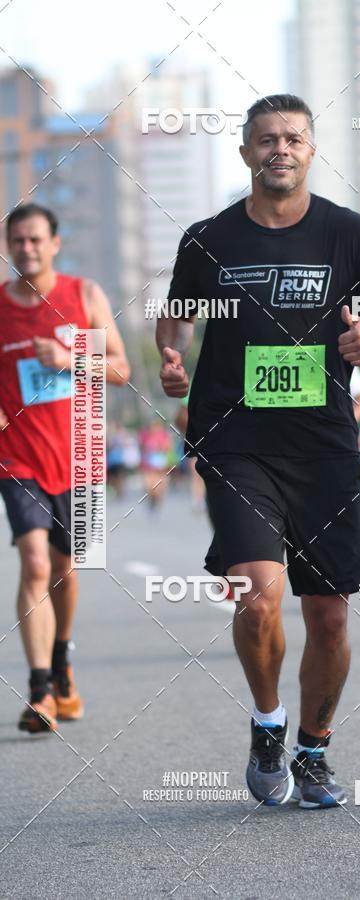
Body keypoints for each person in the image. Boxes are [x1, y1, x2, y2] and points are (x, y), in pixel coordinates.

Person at [157, 94, 360, 808]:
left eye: (294, 139)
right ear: (245, 152)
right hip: (235, 442)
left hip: (324, 447)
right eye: (266, 139)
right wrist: (170, 357)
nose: (280, 149)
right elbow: (176, 314)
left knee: (330, 615)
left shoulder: (346, 234)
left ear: (311, 150)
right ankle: (268, 720)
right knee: (257, 595)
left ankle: (313, 748)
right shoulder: (210, 238)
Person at [0, 203, 129, 733]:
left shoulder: (85, 295)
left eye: (35, 240)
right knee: (34, 562)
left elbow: (120, 369)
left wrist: (72, 356)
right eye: (17, 241)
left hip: (82, 455)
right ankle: (40, 693)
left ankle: (60, 657)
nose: (26, 249)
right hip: (18, 457)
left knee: (66, 570)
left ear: (55, 243)